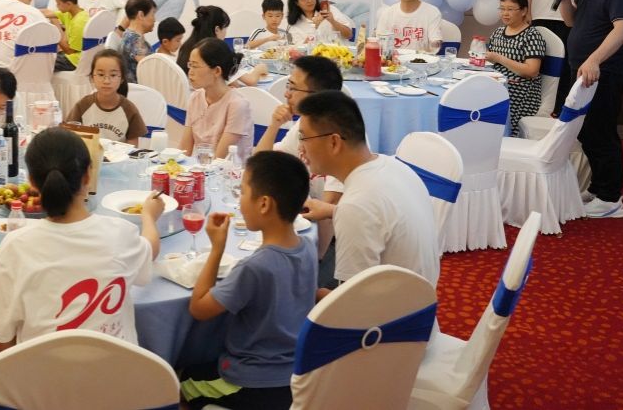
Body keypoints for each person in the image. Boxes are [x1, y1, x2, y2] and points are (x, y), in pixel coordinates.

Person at [0, 127, 162, 347]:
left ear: (32, 182)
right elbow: (150, 250)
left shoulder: (16, 245)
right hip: (117, 367)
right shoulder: (120, 233)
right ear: (88, 175)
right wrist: (149, 216)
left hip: (40, 369)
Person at [183, 151, 316, 410]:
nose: (239, 200)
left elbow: (198, 308)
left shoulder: (255, 267)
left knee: (178, 381)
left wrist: (216, 249)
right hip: (294, 374)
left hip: (251, 379)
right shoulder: (308, 246)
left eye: (242, 192)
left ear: (264, 204)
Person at [296, 91, 440, 296]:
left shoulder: (355, 206)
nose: (300, 148)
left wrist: (301, 293)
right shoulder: (393, 166)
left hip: (392, 313)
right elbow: (379, 217)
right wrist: (333, 211)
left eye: (303, 137)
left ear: (334, 142)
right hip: (421, 299)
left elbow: (354, 304)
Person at [556, 0, 623, 219]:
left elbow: (622, 29)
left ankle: (611, 199)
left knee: (601, 132)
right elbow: (571, 23)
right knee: (586, 131)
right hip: (582, 71)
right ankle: (599, 187)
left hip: (602, 72)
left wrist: (594, 60)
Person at [256, 55, 345, 285]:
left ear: (317, 97)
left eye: (293, 88)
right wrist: (274, 126)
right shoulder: (304, 123)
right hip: (306, 229)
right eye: (288, 85)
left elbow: (326, 211)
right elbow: (260, 165)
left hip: (335, 247)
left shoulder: (340, 136)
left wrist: (314, 268)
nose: (287, 94)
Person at [484, 0, 545, 134]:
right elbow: (489, 61)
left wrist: (499, 58)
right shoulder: (498, 32)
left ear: (523, 11)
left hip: (519, 92)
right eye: (502, 9)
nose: (505, 13)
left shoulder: (532, 35)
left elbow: (532, 71)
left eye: (510, 9)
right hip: (495, 85)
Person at [185, 38, 253, 161]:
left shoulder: (237, 105)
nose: (190, 72)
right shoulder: (195, 98)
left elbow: (219, 159)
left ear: (217, 71)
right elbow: (184, 151)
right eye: (190, 65)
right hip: (201, 167)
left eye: (195, 66)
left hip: (228, 170)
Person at [65, 49, 145, 143]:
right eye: (101, 74)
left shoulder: (129, 109)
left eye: (113, 75)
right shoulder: (83, 105)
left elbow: (133, 146)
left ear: (122, 79)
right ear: (92, 77)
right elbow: (70, 137)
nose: (106, 81)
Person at [374, 0, 443, 53]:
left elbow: (435, 41)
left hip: (421, 59)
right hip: (394, 59)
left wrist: (435, 43)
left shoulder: (432, 12)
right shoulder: (387, 13)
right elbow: (381, 44)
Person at [286, 0, 353, 46]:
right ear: (296, 2)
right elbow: (302, 49)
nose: (309, 1)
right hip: (314, 54)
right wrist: (315, 26)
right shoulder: (295, 25)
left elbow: (349, 35)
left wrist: (333, 21)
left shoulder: (329, 10)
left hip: (338, 52)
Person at [177, 6, 231, 77]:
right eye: (225, 28)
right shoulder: (212, 51)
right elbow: (231, 78)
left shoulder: (186, 46)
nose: (225, 33)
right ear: (217, 30)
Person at [115, 0, 155, 81]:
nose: (154, 19)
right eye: (152, 14)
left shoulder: (128, 36)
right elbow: (150, 71)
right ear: (141, 15)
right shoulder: (135, 40)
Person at [53, 0, 89, 69]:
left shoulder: (79, 23)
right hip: (70, 56)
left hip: (75, 61)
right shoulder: (70, 13)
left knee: (42, 62)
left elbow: (69, 51)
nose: (57, 6)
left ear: (68, 4)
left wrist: (55, 29)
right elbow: (48, 13)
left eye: (58, 4)